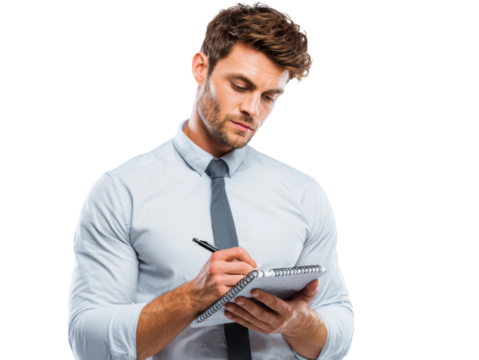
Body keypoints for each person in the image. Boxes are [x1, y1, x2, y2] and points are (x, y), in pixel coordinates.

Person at [67, 1, 354, 359]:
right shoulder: (121, 191)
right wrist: (191, 297)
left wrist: (296, 323)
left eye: (269, 97)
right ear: (200, 67)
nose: (253, 109)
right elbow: (86, 341)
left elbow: (339, 328)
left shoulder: (304, 193)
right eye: (240, 85)